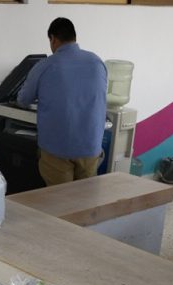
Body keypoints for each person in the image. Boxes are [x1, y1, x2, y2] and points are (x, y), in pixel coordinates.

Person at [18, 17, 107, 186]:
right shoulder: (97, 62)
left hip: (58, 149)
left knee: (58, 199)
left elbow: (23, 100)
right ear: (74, 37)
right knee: (86, 197)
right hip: (91, 147)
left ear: (53, 39)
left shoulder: (45, 66)